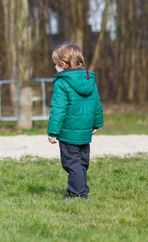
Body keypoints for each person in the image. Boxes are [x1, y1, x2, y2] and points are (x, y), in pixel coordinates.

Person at [47, 42, 103, 200]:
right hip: (85, 131)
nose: (55, 68)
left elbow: (58, 109)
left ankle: (78, 194)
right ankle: (82, 189)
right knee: (82, 161)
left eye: (56, 65)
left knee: (71, 163)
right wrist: (97, 123)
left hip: (69, 132)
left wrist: (52, 132)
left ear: (64, 64)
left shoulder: (62, 82)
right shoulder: (89, 80)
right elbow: (97, 103)